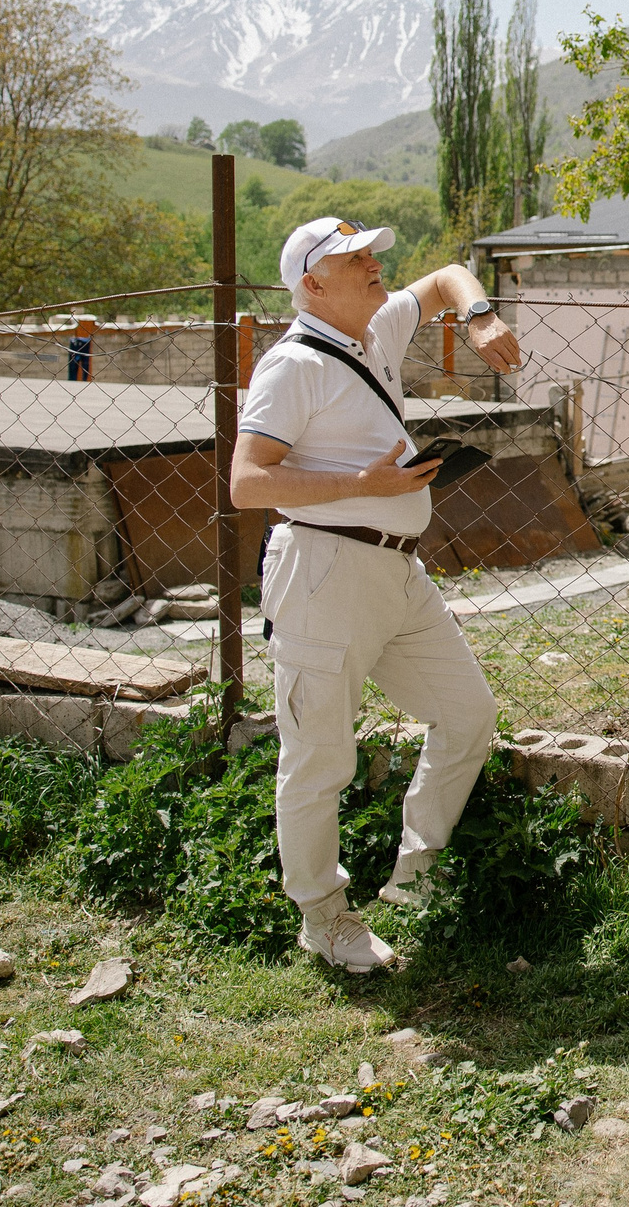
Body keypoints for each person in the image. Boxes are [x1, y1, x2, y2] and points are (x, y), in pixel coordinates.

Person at [230, 216, 520, 972]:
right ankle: (324, 917)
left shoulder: (375, 331)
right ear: (312, 285)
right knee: (319, 757)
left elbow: (448, 275)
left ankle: (415, 880)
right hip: (326, 571)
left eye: (369, 253)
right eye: (353, 259)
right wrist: (364, 486)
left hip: (397, 572)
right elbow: (247, 480)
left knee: (466, 714)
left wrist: (479, 315)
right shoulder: (293, 364)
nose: (373, 265)